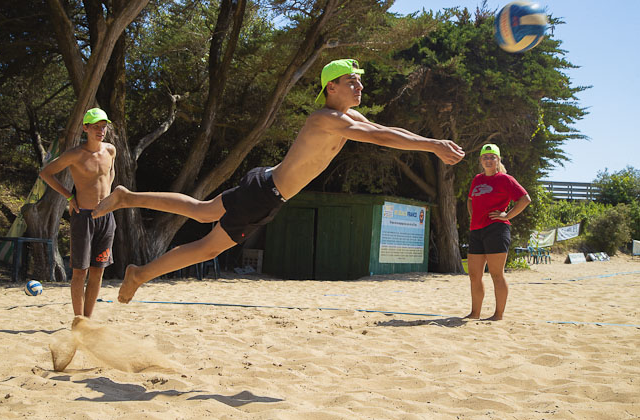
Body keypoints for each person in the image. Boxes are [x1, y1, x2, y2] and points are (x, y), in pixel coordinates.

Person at [92, 58, 465, 304]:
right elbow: (382, 138)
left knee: (202, 211)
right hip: (265, 193)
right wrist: (432, 145)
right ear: (330, 87)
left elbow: (385, 129)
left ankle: (128, 199)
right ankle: (140, 272)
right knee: (207, 243)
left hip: (267, 187)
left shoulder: (350, 117)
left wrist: (428, 144)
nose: (359, 87)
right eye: (352, 81)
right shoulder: (327, 118)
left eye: (359, 82)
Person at [39, 108, 117, 318]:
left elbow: (110, 172)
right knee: (80, 272)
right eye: (95, 127)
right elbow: (46, 173)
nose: (101, 131)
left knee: (98, 271)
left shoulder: (110, 150)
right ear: (85, 128)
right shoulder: (75, 154)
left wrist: (109, 198)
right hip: (83, 216)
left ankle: (88, 320)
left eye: (103, 126)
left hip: (106, 218)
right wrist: (69, 196)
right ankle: (78, 319)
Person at [465, 143, 531, 321]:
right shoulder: (477, 179)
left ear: (498, 159)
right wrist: (474, 216)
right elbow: (470, 200)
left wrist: (507, 215)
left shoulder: (505, 179)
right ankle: (475, 313)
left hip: (496, 229)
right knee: (474, 275)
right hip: (476, 230)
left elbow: (525, 199)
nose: (488, 160)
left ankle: (498, 315)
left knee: (496, 274)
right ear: (481, 160)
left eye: (492, 157)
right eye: (485, 157)